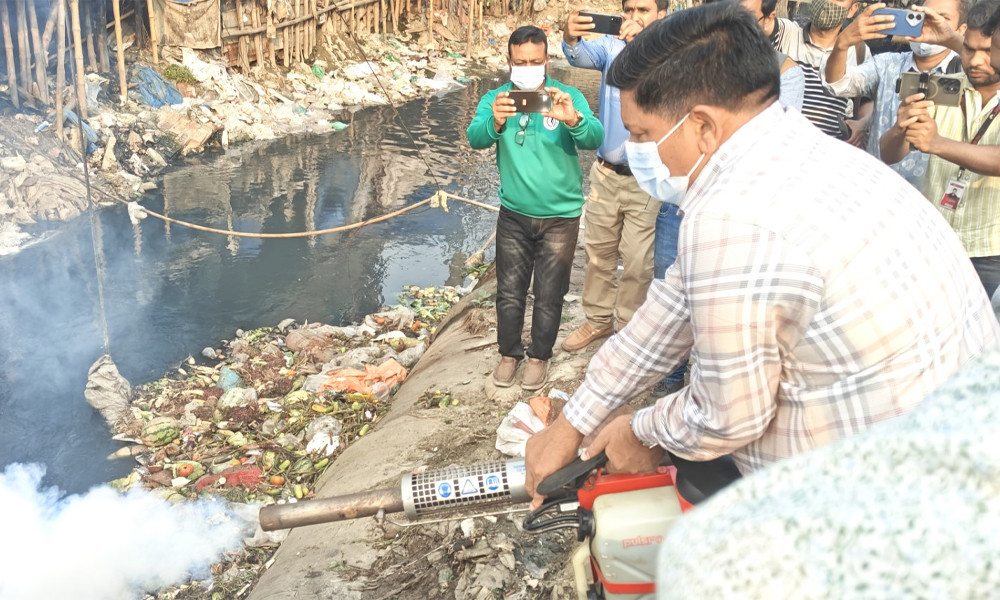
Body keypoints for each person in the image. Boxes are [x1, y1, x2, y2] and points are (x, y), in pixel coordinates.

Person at [524, 2, 999, 507]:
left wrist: (639, 430)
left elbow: (725, 416)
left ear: (703, 126)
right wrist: (576, 419)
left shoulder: (733, 217)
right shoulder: (799, 147)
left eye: (641, 135)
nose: (636, 150)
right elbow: (674, 304)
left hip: (892, 501)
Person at [466, 25, 603, 391]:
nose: (528, 68)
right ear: (509, 61)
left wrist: (572, 120)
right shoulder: (496, 99)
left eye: (535, 61)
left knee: (549, 293)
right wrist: (495, 121)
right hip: (513, 214)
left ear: (547, 60)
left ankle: (540, 356)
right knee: (509, 292)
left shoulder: (567, 96)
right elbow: (474, 138)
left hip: (561, 218)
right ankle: (509, 354)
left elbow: (595, 137)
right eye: (520, 62)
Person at [559, 0, 670, 354]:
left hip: (648, 178)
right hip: (606, 174)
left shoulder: (672, 52)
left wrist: (644, 46)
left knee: (638, 260)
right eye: (629, 10)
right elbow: (579, 57)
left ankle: (628, 326)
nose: (633, 17)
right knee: (598, 252)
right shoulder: (610, 46)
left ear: (662, 15)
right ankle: (597, 320)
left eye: (643, 10)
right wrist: (571, 38)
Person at [881, 0, 1000, 298]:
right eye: (968, 49)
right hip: (934, 240)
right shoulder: (941, 86)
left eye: (988, 51)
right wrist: (901, 129)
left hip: (990, 251)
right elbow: (889, 153)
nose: (975, 60)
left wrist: (938, 143)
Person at [825, 0, 969, 188]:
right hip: (875, 187)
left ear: (961, 29)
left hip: (933, 196)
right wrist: (842, 44)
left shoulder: (969, 74)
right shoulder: (886, 64)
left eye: (943, 18)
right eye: (924, 16)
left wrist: (951, 40)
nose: (931, 23)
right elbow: (838, 83)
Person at [736, 0, 806, 111]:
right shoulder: (708, 57)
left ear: (768, 19)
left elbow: (778, 121)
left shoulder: (786, 72)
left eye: (746, 19)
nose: (734, 27)